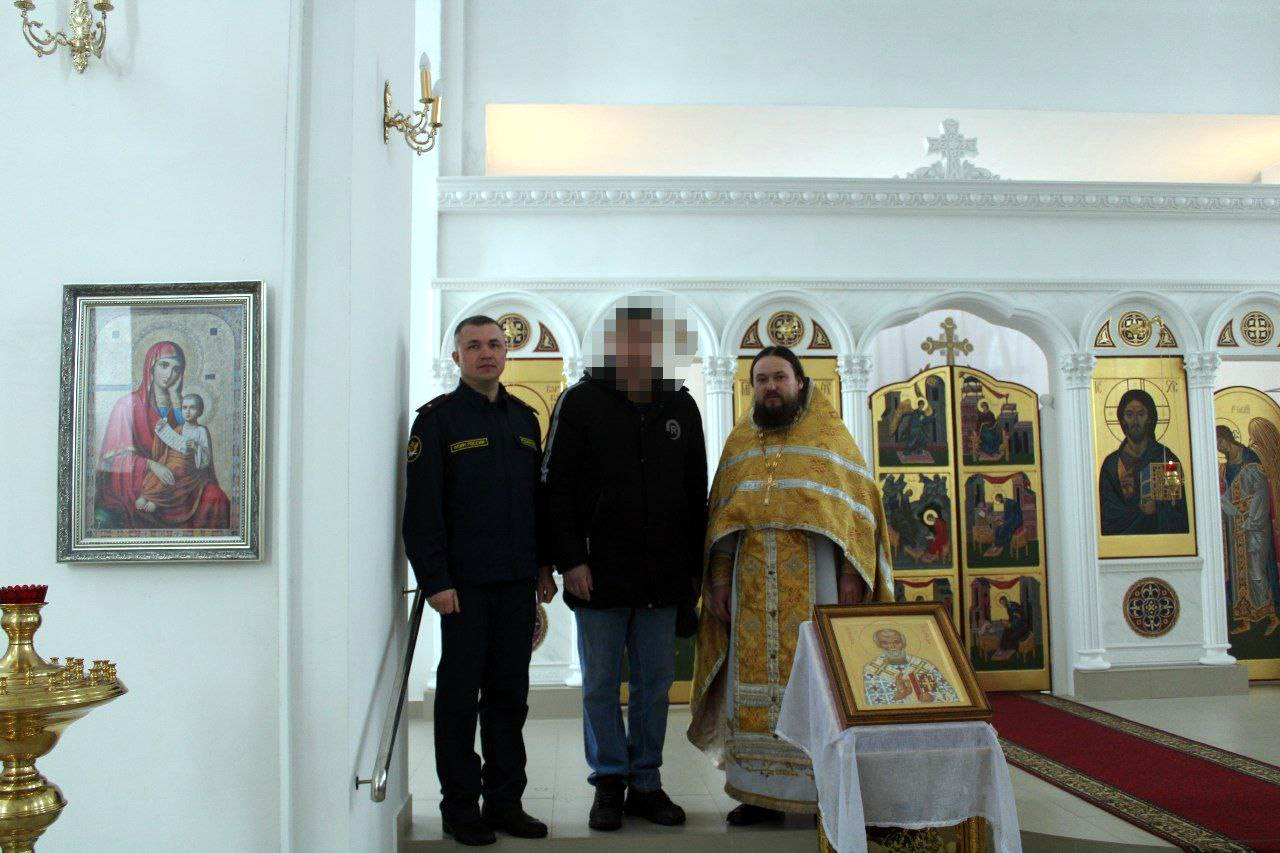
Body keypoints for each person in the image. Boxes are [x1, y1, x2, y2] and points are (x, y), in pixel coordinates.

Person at [688, 346, 894, 826]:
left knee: (819, 684)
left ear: (800, 382)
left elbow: (857, 513)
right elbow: (723, 520)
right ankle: (758, 794)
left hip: (817, 582)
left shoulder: (830, 437)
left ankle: (824, 790)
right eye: (761, 379)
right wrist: (718, 578)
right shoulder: (740, 442)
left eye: (779, 377)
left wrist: (850, 573)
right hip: (750, 583)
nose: (771, 387)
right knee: (751, 688)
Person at [541, 301, 707, 832]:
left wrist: (695, 568)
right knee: (600, 684)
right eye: (629, 340)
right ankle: (609, 781)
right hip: (598, 573)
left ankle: (647, 782)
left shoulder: (680, 405)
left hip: (664, 574)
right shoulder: (580, 401)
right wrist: (571, 559)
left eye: (648, 341)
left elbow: (695, 491)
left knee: (654, 684)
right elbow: (556, 488)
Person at [402, 315, 557, 847]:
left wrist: (542, 567)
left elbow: (537, 504)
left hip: (516, 583)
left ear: (506, 353)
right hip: (463, 588)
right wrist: (436, 581)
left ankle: (506, 802)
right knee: (459, 699)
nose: (486, 353)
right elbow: (422, 511)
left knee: (510, 697)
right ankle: (461, 807)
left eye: (494, 344)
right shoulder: (437, 421)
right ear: (457, 358)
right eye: (474, 346)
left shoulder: (524, 420)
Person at [95, 340, 231, 530]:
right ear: (150, 367)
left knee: (216, 498)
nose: (169, 374)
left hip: (179, 477)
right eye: (164, 365)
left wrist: (175, 397)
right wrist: (152, 465)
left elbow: (188, 441)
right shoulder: (127, 405)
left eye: (176, 369)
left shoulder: (182, 407)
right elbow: (112, 460)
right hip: (140, 477)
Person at [1098, 388, 1189, 535]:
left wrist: (1157, 507)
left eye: (1141, 414)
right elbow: (1107, 514)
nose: (1135, 421)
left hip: (1160, 541)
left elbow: (1177, 506)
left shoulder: (1167, 460)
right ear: (1122, 419)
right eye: (1129, 415)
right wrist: (1136, 512)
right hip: (1121, 543)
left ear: (1150, 418)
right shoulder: (1111, 464)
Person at [1218, 424, 1280, 637]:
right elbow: (1228, 494)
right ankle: (1245, 620)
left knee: (1256, 572)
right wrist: (1225, 503)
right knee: (1238, 574)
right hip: (1235, 526)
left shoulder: (1251, 461)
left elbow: (1261, 495)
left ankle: (1272, 616)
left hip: (1255, 527)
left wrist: (1251, 519)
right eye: (1216, 446)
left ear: (1227, 438)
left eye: (1220, 442)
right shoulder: (1227, 467)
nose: (1219, 448)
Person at [135, 393, 215, 515]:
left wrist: (196, 447)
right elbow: (168, 449)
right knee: (162, 464)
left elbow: (206, 458)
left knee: (177, 468)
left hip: (188, 466)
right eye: (184, 408)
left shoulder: (201, 431)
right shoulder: (178, 429)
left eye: (192, 408)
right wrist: (160, 431)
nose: (187, 411)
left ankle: (155, 500)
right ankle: (146, 495)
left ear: (200, 411)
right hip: (173, 460)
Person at [862, 628, 960, 705]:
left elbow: (951, 696)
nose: (892, 646)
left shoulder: (924, 666)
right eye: (885, 643)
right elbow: (873, 702)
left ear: (904, 643)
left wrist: (932, 698)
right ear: (878, 645)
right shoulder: (873, 670)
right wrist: (898, 696)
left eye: (897, 642)